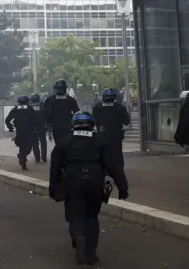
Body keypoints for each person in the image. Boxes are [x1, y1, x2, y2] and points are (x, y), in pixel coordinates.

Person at [49, 111, 128, 265]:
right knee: (92, 216)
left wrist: (53, 188)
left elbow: (55, 166)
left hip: (73, 182)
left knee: (76, 215)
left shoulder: (64, 140)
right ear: (92, 124)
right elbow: (114, 165)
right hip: (95, 182)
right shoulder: (101, 140)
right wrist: (122, 186)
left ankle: (78, 236)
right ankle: (91, 254)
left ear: (74, 124)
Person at [92, 88, 131, 197]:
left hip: (100, 139)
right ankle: (123, 189)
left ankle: (99, 186)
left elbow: (93, 120)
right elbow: (126, 121)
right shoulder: (119, 108)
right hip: (115, 140)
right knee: (118, 164)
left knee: (99, 163)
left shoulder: (97, 107)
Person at [5, 95, 39, 170]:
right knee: (29, 147)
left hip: (20, 131)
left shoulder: (15, 109)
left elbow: (7, 120)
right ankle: (22, 157)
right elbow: (35, 119)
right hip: (29, 131)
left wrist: (10, 127)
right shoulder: (30, 108)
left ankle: (21, 156)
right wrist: (36, 128)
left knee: (22, 146)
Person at [30, 93, 48, 162]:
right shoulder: (42, 105)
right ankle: (44, 157)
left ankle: (37, 157)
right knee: (43, 141)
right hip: (42, 126)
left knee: (35, 142)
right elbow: (46, 115)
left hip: (33, 127)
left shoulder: (29, 106)